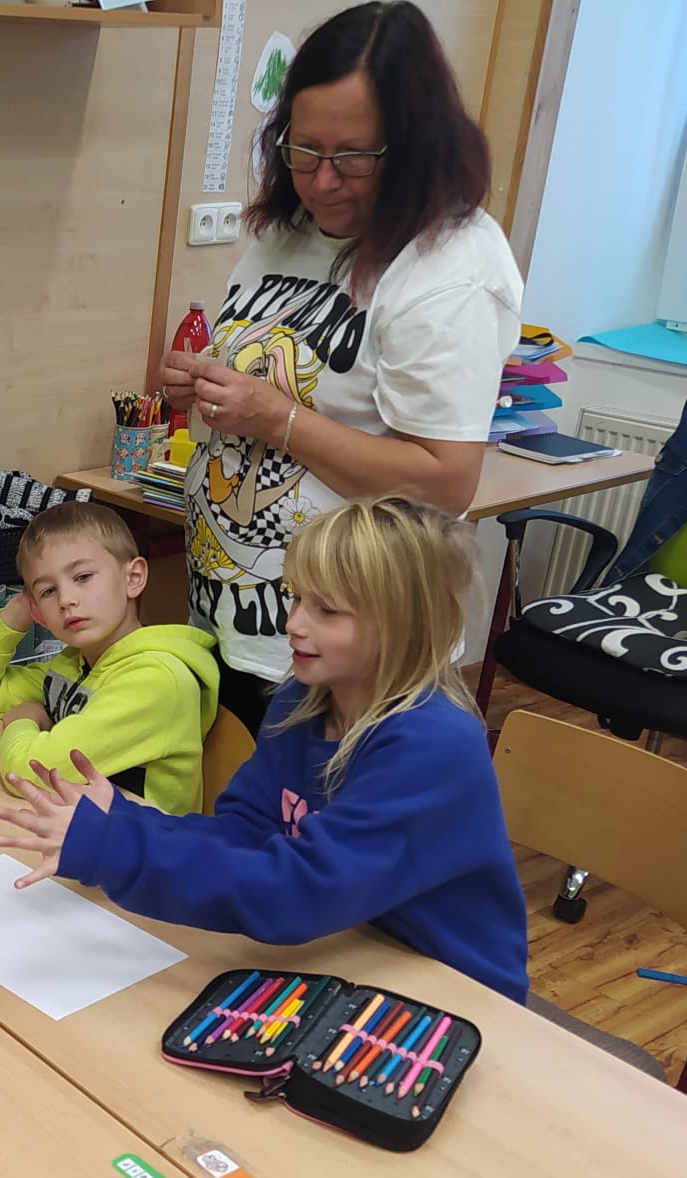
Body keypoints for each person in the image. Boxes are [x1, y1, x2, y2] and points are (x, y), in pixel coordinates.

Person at [0, 500, 529, 1005]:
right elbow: (247, 832)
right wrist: (128, 820)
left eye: (327, 610)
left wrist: (118, 849)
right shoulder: (302, 700)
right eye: (296, 598)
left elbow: (300, 894)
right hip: (347, 945)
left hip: (450, 985)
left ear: (401, 625)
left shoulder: (432, 746)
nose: (293, 624)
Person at [161, 1, 522, 734]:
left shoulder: (451, 268)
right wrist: (206, 384)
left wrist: (278, 418)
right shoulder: (290, 230)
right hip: (239, 617)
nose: (322, 182)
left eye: (353, 157)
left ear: (414, 147)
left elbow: (446, 482)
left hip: (350, 657)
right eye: (304, 150)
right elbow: (286, 379)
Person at [0, 501, 217, 815]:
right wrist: (17, 614)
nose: (66, 600)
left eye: (83, 577)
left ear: (133, 578)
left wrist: (23, 718)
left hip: (139, 843)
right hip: (83, 828)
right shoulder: (73, 665)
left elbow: (28, 773)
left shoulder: (156, 681)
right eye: (48, 591)